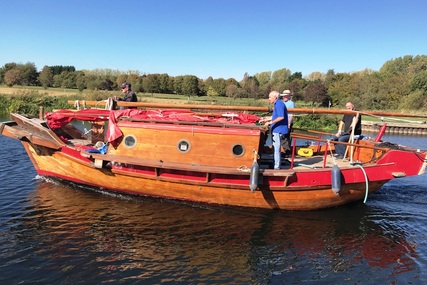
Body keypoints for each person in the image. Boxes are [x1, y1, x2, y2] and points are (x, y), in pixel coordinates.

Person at [260, 91, 289, 169]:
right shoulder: (277, 104)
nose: (269, 99)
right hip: (276, 129)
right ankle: (275, 164)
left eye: (270, 97)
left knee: (276, 148)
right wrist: (266, 119)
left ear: (275, 97)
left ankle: (276, 167)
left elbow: (281, 117)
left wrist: (270, 122)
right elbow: (275, 116)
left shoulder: (279, 104)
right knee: (275, 148)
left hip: (278, 130)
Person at [280, 90, 295, 157]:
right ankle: (286, 151)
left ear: (288, 96)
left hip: (287, 123)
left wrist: (289, 123)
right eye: (283, 96)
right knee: (283, 137)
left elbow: (292, 114)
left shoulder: (291, 103)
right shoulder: (283, 103)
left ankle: (287, 152)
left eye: (285, 96)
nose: (284, 97)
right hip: (283, 122)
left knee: (285, 137)